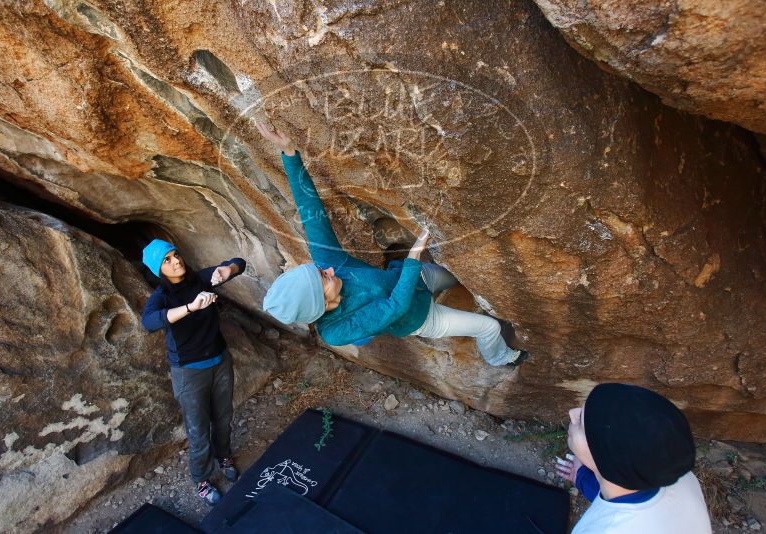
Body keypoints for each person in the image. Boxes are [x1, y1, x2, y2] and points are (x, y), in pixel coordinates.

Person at [257, 122, 528, 367]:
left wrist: (290, 153)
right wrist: (413, 256)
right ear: (321, 304)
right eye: (323, 278)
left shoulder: (331, 264)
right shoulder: (336, 331)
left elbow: (310, 211)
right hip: (420, 317)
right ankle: (500, 357)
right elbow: (394, 307)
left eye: (321, 270)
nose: (328, 270)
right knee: (489, 327)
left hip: (414, 279)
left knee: (460, 276)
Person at [140, 239, 247, 506]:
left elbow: (239, 263)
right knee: (198, 430)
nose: (176, 261)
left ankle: (224, 456)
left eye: (175, 254)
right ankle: (201, 478)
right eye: (167, 260)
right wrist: (190, 307)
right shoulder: (161, 297)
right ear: (159, 270)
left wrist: (228, 270)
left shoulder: (200, 279)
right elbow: (150, 321)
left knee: (223, 417)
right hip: (189, 371)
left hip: (220, 360)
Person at [554, 383, 712, 533]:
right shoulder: (678, 476)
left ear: (608, 462)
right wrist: (583, 478)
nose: (572, 413)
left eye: (582, 422)